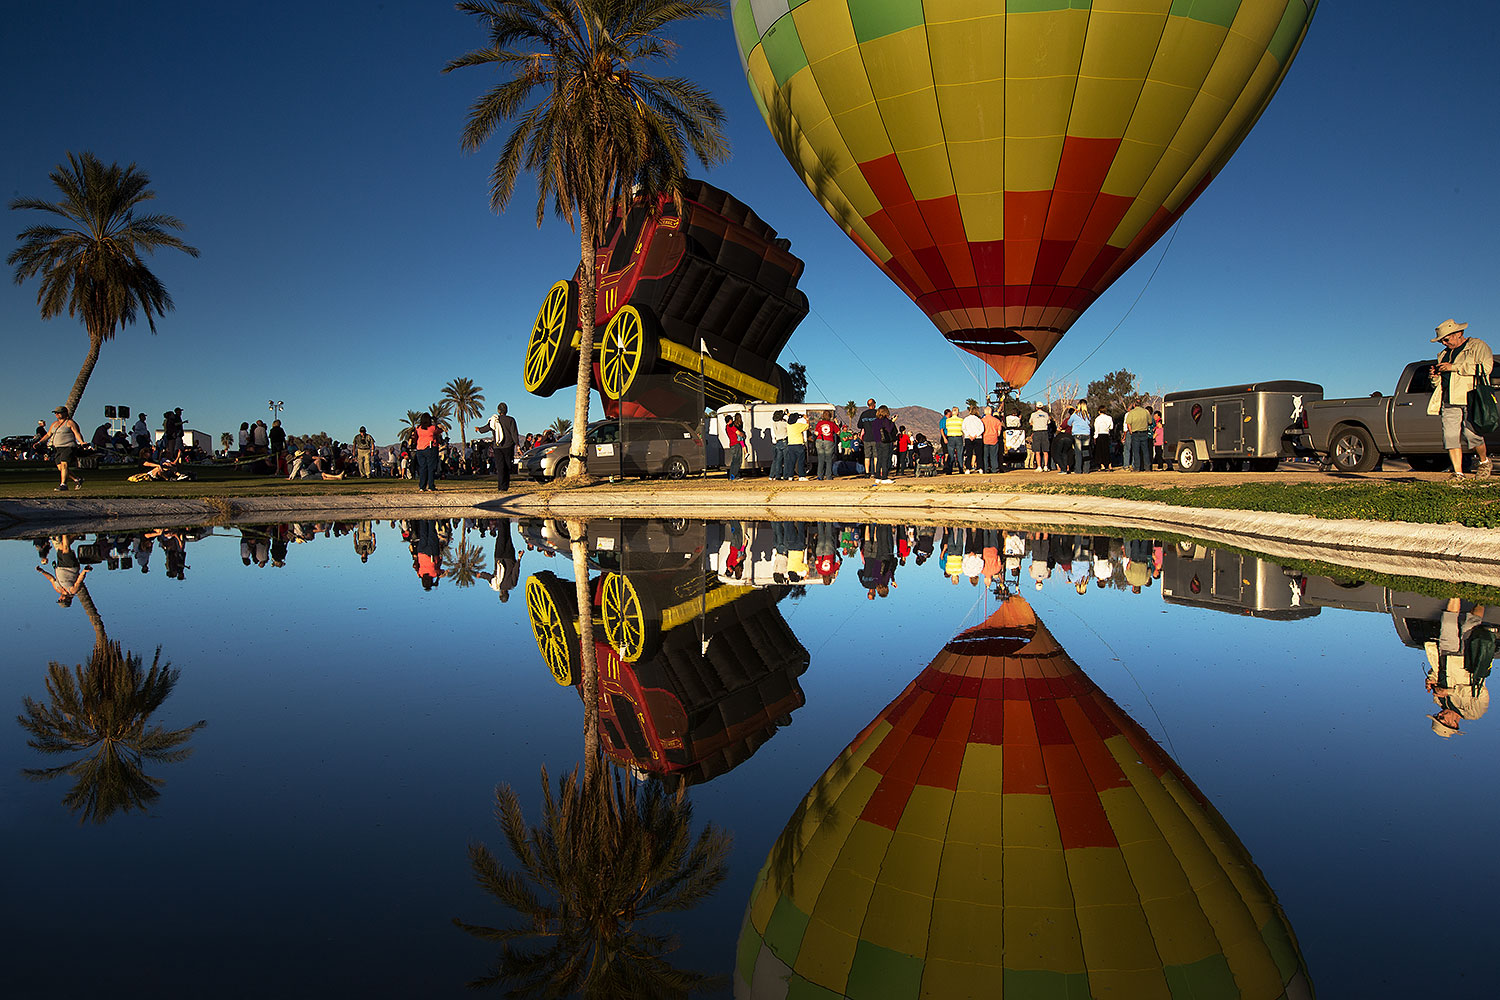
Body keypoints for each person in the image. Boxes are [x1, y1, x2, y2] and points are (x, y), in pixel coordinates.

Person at [1429, 318, 1493, 481]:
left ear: (1458, 334)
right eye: (1441, 340)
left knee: (1472, 435)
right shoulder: (1443, 354)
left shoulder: (1477, 346)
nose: (1444, 343)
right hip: (1448, 400)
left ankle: (1484, 461)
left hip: (1470, 397)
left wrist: (1454, 367)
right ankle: (1458, 473)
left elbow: (1486, 368)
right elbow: (1440, 382)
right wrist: (1435, 377)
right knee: (1449, 437)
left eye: (1446, 339)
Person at [1424, 599, 1491, 736]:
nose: (1440, 714)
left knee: (1448, 621)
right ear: (1453, 724)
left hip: (1445, 657)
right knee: (1471, 624)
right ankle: (1483, 598)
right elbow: (1481, 693)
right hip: (1467, 661)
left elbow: (1436, 673)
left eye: (1437, 716)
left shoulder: (1439, 700)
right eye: (1441, 718)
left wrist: (1431, 679)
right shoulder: (1474, 713)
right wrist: (1450, 692)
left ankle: (1455, 590)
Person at [36, 405, 85, 491]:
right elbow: (48, 434)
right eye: (56, 413)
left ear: (65, 413)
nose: (57, 415)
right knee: (60, 467)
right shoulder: (54, 424)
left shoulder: (70, 423)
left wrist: (81, 442)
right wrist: (40, 442)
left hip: (68, 446)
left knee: (64, 464)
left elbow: (77, 433)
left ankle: (63, 485)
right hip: (58, 448)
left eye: (59, 413)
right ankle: (77, 479)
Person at [36, 535, 89, 605]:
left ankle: (77, 535)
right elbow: (79, 580)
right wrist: (84, 571)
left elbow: (51, 579)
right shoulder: (72, 591)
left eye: (59, 600)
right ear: (67, 600)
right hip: (71, 567)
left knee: (61, 546)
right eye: (61, 600)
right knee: (66, 548)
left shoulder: (58, 589)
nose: (60, 598)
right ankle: (65, 533)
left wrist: (42, 571)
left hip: (60, 565)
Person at [485, 403, 520, 490]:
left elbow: (486, 428)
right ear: (506, 410)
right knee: (507, 466)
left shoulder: (494, 420)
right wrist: (517, 444)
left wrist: (479, 429)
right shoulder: (511, 420)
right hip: (508, 446)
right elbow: (514, 433)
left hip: (498, 447)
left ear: (498, 410)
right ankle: (505, 486)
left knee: (500, 467)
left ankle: (500, 486)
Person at [412, 414, 440, 491]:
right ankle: (431, 486)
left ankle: (422, 486)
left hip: (420, 449)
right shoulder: (432, 428)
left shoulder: (418, 428)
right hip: (430, 448)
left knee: (422, 468)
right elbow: (439, 431)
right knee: (431, 468)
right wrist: (436, 421)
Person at [1124, 398, 1153, 471]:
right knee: (1145, 451)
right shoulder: (1145, 411)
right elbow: (1150, 422)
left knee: (1136, 451)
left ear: (1134, 405)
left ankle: (1137, 467)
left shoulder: (1132, 412)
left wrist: (1131, 431)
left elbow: (1128, 424)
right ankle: (1147, 467)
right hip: (1144, 432)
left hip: (1135, 433)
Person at [813, 410, 839, 480]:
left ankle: (820, 476)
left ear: (822, 416)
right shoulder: (832, 424)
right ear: (830, 416)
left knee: (821, 459)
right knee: (829, 459)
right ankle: (828, 476)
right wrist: (836, 423)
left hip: (819, 440)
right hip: (829, 441)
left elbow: (816, 433)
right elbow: (838, 432)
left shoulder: (819, 423)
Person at [858, 399, 880, 478]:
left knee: (867, 456)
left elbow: (859, 425)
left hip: (867, 438)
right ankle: (875, 472)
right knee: (876, 456)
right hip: (876, 437)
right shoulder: (877, 413)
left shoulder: (864, 414)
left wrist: (866, 424)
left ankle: (867, 473)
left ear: (868, 405)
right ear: (874, 404)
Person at [785, 411, 809, 479]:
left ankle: (790, 476)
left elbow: (790, 418)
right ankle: (801, 476)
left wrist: (789, 414)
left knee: (792, 461)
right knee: (800, 461)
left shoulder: (788, 425)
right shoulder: (798, 425)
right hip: (798, 444)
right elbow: (807, 426)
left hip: (790, 445)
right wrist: (806, 419)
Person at [1068, 404, 1092, 474]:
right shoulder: (1087, 415)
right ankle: (1086, 469)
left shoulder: (1075, 415)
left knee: (1078, 453)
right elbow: (1088, 422)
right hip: (1086, 434)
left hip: (1077, 434)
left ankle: (1078, 470)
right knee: (1086, 452)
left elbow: (1069, 423)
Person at [1028, 403, 1051, 472]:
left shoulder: (1033, 414)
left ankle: (1039, 466)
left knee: (1037, 451)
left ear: (1036, 407)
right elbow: (1048, 422)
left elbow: (1030, 422)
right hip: (1044, 432)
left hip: (1036, 432)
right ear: (1043, 407)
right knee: (1045, 450)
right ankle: (1046, 466)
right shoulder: (1046, 414)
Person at [961, 407, 984, 473]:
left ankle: (968, 468)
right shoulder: (978, 420)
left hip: (968, 438)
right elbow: (982, 429)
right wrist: (976, 435)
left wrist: (969, 435)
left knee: (969, 454)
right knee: (979, 454)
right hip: (977, 438)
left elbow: (963, 428)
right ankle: (980, 468)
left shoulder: (966, 419)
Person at [981, 406, 1003, 474]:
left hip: (985, 439)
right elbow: (999, 432)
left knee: (985, 456)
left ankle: (986, 468)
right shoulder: (997, 421)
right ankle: (994, 469)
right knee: (994, 456)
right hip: (994, 439)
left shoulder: (982, 420)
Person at [769, 410, 788, 480]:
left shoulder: (774, 423)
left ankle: (778, 475)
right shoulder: (784, 423)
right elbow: (790, 424)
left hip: (778, 442)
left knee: (778, 460)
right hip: (784, 440)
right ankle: (785, 475)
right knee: (786, 460)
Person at [724, 413, 744, 481]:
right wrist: (743, 434)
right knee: (737, 461)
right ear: (730, 420)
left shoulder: (726, 427)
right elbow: (738, 432)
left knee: (734, 462)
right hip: (736, 444)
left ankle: (732, 476)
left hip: (732, 444)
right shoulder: (731, 426)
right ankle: (734, 476)